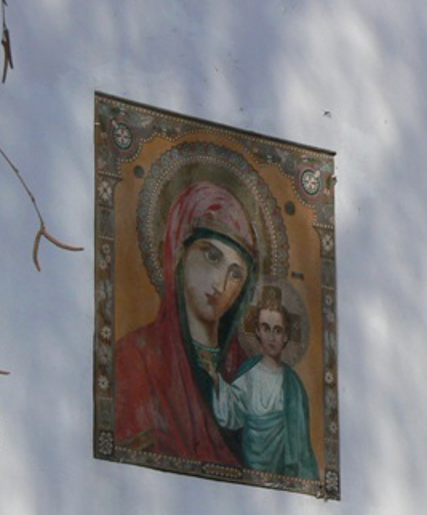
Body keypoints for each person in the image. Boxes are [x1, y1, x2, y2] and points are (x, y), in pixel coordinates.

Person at [113, 181, 257, 465]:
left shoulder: (249, 375)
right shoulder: (134, 356)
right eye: (211, 256)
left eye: (236, 273)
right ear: (179, 252)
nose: (221, 283)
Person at [212, 285, 319, 480]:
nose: (271, 337)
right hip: (250, 467)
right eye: (266, 328)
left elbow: (301, 445)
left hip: (283, 474)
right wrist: (216, 381)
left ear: (286, 336)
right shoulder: (249, 375)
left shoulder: (294, 386)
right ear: (258, 332)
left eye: (277, 330)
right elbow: (231, 413)